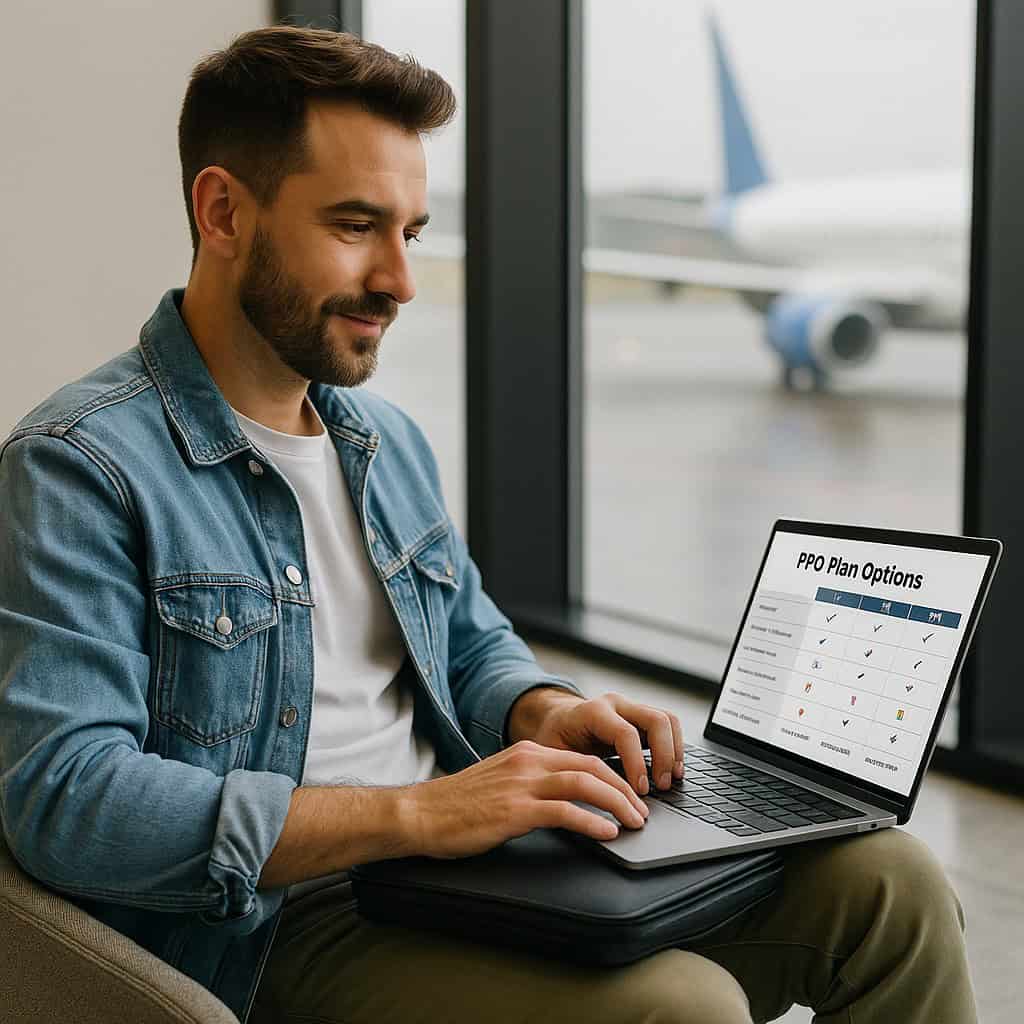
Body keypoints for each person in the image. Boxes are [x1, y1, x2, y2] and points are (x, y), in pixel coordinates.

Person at [0, 25, 977, 1024]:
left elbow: (468, 645)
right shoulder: (79, 467)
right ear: (222, 213)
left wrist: (538, 710)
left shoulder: (383, 441)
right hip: (278, 922)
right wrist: (416, 813)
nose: (401, 280)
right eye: (354, 225)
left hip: (467, 865)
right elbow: (65, 801)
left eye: (411, 232)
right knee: (680, 1008)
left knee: (889, 883)